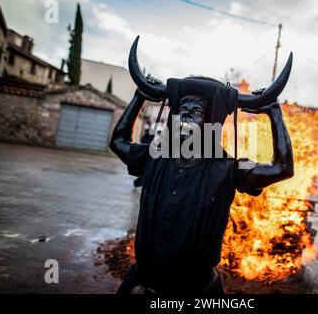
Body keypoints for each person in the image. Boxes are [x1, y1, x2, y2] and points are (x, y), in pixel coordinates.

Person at [110, 36, 294, 294]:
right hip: (145, 284)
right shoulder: (155, 156)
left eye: (196, 111)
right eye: (182, 108)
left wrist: (273, 110)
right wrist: (139, 96)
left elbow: (282, 168)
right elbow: (118, 142)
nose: (185, 114)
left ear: (211, 124)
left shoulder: (227, 169)